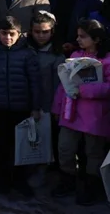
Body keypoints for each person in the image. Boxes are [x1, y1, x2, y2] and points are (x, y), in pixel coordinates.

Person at [51, 19, 110, 205]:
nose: (78, 39)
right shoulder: (75, 55)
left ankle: (91, 187)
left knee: (93, 152)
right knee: (65, 147)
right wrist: (57, 107)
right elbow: (63, 85)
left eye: (82, 36)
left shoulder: (107, 60)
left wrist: (86, 90)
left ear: (97, 39)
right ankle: (67, 180)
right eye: (78, 36)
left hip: (96, 115)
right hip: (71, 112)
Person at [0, 16, 41, 196]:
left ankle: (20, 181)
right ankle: (3, 180)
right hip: (1, 107)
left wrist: (35, 107)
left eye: (12, 34)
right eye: (4, 33)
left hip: (22, 108)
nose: (8, 38)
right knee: (3, 144)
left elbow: (35, 82)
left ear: (19, 34)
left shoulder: (28, 53)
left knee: (22, 145)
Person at [28, 12, 64, 173]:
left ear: (52, 32)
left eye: (45, 32)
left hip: (49, 107)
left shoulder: (57, 55)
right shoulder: (25, 50)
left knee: (52, 141)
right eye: (37, 32)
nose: (41, 36)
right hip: (26, 104)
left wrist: (55, 109)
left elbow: (58, 86)